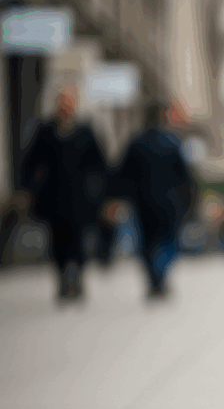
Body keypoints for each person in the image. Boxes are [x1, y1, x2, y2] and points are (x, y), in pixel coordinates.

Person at [19, 88, 110, 299]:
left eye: (68, 102)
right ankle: (63, 277)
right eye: (62, 102)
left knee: (78, 240)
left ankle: (76, 276)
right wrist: (27, 188)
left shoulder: (86, 131)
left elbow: (99, 165)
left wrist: (102, 193)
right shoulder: (46, 131)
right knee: (58, 241)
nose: (65, 107)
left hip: (80, 198)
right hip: (54, 197)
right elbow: (31, 162)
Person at [111, 101, 196, 297]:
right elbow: (184, 177)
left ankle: (154, 277)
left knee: (147, 244)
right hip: (169, 204)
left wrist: (118, 197)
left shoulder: (136, 142)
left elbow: (122, 174)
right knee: (167, 241)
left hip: (142, 203)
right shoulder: (172, 143)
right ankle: (160, 275)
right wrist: (188, 201)